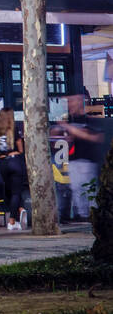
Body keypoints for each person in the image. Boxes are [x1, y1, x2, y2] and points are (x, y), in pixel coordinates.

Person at [56, 93, 102, 221]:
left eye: (72, 101)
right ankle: (83, 215)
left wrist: (67, 127)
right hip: (73, 160)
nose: (69, 105)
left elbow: (92, 136)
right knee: (76, 189)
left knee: (88, 190)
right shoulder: (70, 120)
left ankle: (93, 215)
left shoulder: (88, 119)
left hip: (87, 161)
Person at [0, 116, 28, 230]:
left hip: (3, 163)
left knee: (10, 191)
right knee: (16, 192)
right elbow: (21, 150)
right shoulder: (13, 130)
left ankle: (20, 209)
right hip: (15, 161)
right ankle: (12, 221)